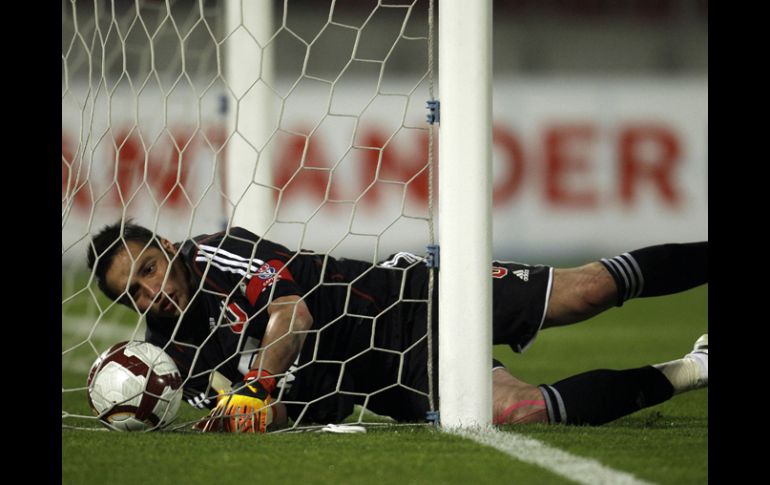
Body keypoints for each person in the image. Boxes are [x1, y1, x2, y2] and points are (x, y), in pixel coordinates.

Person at [86, 220, 708, 432]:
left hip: (404, 297)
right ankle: (696, 368)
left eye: (148, 268)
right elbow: (285, 409)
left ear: (166, 246)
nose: (151, 291)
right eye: (133, 292)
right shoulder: (176, 355)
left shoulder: (216, 253)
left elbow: (291, 313)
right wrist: (245, 419)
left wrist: (258, 390)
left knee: (589, 291)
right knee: (520, 413)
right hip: (388, 376)